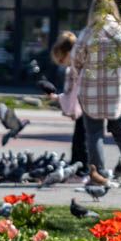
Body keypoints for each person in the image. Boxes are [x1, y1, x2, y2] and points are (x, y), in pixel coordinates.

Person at [71, 0, 121, 184]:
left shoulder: (88, 32)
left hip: (90, 92)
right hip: (117, 91)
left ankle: (99, 174)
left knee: (94, 134)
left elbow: (76, 61)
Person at [45, 30, 87, 171]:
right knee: (80, 138)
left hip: (85, 107)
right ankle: (80, 166)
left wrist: (57, 98)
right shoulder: (83, 60)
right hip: (89, 104)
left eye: (61, 60)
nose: (63, 65)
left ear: (67, 54)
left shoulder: (74, 69)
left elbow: (72, 94)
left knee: (81, 140)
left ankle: (82, 169)